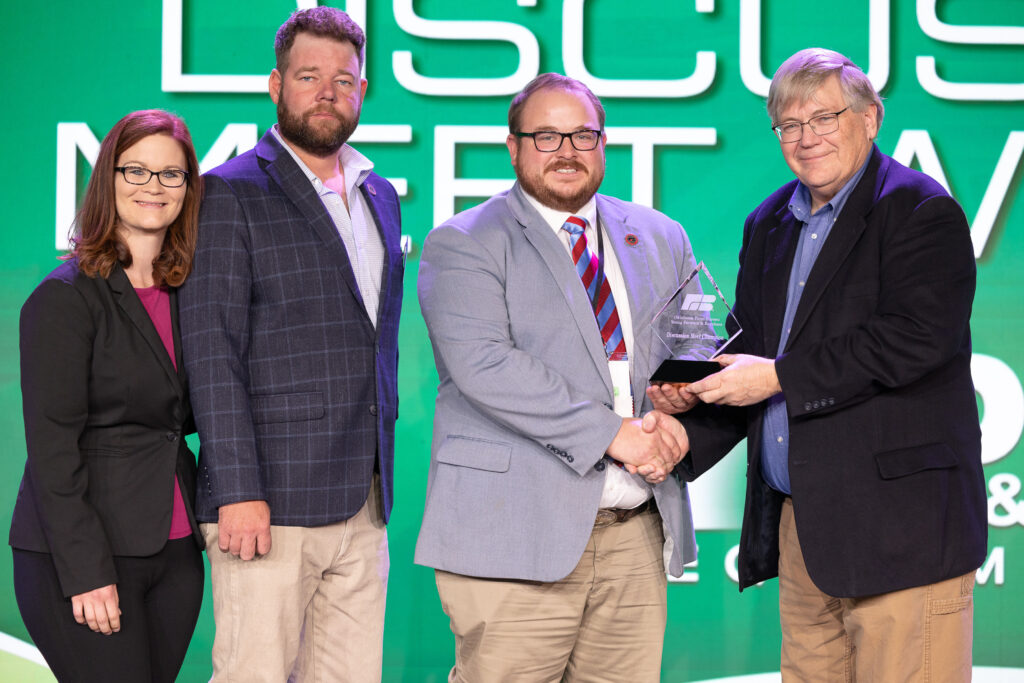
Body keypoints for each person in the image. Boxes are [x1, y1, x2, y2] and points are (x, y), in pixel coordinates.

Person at [651, 48, 987, 681]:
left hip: (901, 532)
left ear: (870, 118)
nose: (806, 139)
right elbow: (746, 350)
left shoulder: (919, 210)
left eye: (824, 118)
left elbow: (915, 340)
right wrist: (689, 407)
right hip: (803, 526)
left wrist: (776, 376)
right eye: (789, 125)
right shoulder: (769, 222)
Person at [416, 73, 695, 683]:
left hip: (633, 535)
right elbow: (485, 365)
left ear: (604, 143)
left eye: (582, 134)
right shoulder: (463, 242)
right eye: (545, 136)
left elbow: (691, 351)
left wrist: (678, 414)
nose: (567, 150)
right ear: (513, 147)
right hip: (512, 536)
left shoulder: (659, 236)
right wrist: (616, 434)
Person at [179, 7, 403, 682]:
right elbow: (211, 351)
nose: (328, 92)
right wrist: (237, 491)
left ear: (362, 90)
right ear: (276, 85)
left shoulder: (380, 193)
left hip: (363, 496)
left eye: (344, 78)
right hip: (267, 501)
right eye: (309, 76)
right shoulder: (228, 192)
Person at [9, 109, 205, 683]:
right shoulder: (65, 298)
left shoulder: (191, 294)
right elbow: (53, 453)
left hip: (175, 552)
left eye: (172, 175)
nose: (154, 187)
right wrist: (87, 572)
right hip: (85, 554)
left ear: (189, 188)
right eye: (136, 170)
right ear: (108, 179)